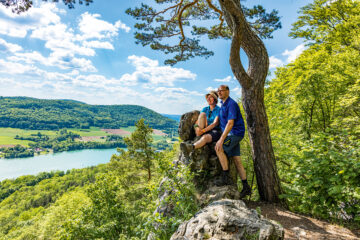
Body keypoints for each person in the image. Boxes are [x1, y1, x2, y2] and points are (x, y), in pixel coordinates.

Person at [215, 85, 251, 198]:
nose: (219, 92)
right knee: (237, 161)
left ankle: (225, 177)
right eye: (218, 91)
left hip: (235, 133)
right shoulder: (222, 105)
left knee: (219, 149)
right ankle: (246, 187)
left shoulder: (231, 104)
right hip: (233, 134)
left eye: (222, 90)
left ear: (228, 91)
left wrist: (221, 139)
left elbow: (230, 123)